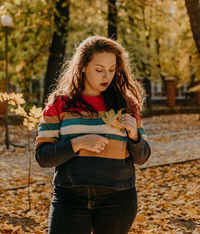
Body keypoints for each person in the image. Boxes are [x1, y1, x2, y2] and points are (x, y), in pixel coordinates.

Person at [35, 35, 151, 234]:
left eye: (112, 69)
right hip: (70, 198)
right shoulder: (59, 104)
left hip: (118, 200)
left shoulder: (127, 104)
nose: (106, 76)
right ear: (82, 67)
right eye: (99, 70)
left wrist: (134, 136)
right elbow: (43, 156)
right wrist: (77, 143)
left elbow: (142, 157)